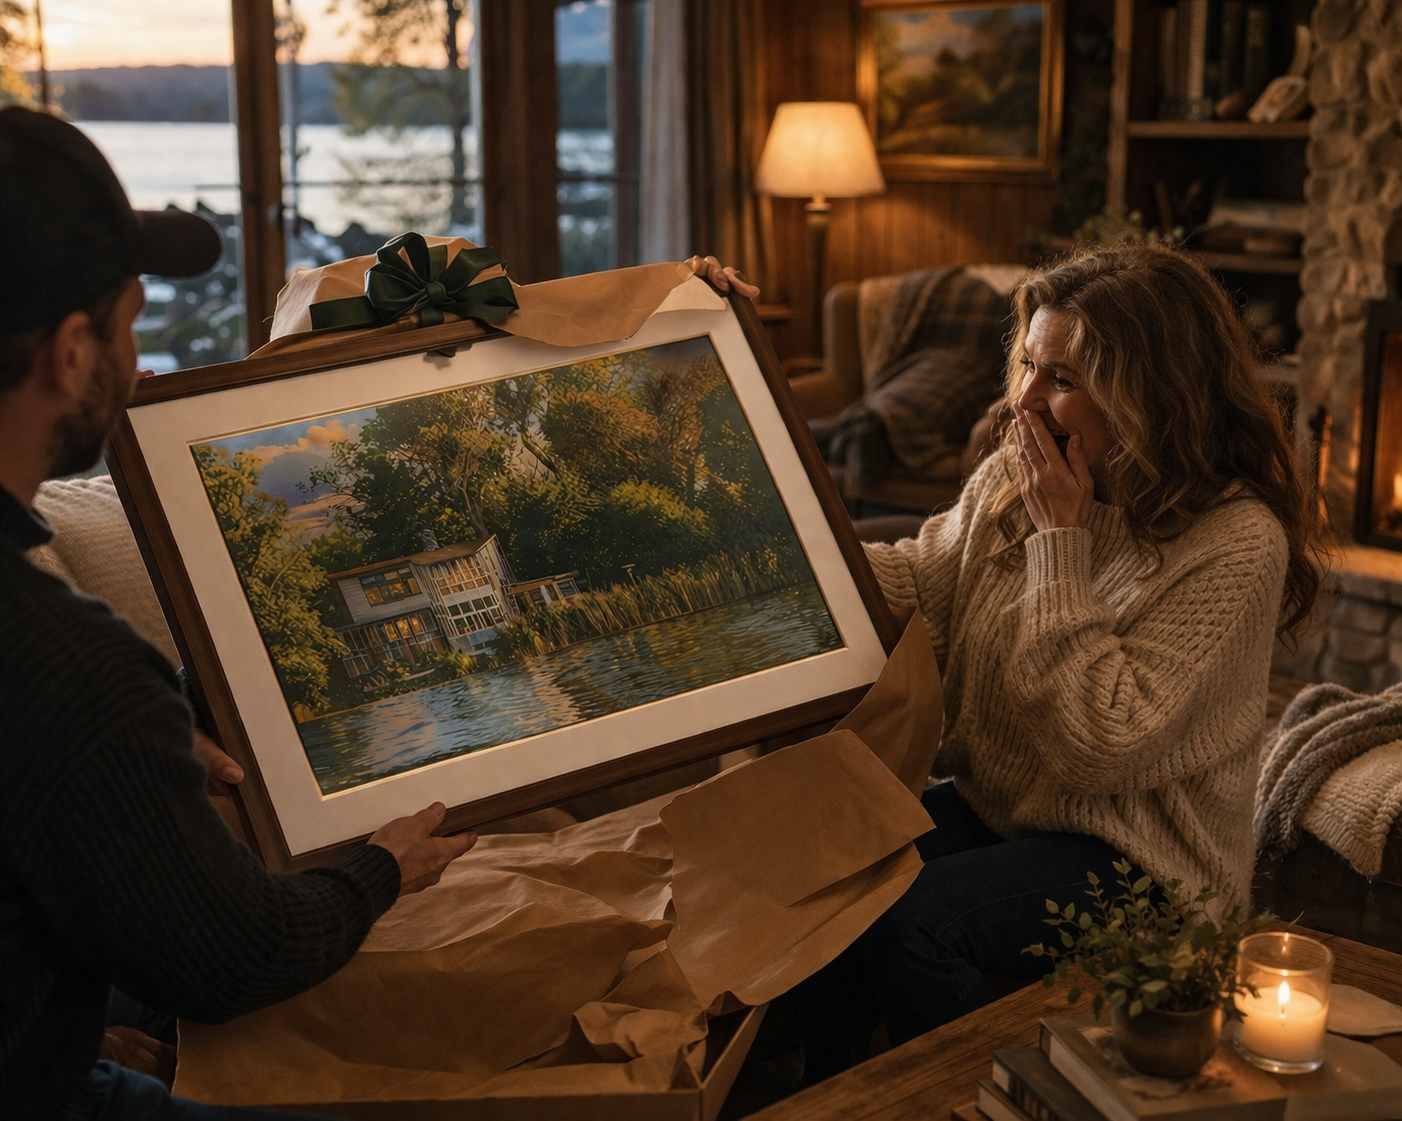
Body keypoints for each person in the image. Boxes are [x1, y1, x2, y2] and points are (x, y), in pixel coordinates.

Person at [793, 243, 1324, 1080]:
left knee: (911, 918)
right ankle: (826, 1090)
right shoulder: (1019, 473)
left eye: (1063, 378)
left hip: (1144, 862)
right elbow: (923, 581)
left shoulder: (1235, 541)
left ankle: (1004, 1092)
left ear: (1149, 396)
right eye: (1030, 366)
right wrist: (795, 556)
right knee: (822, 869)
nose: (1026, 400)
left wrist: (1060, 544)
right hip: (1012, 807)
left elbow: (1100, 744)